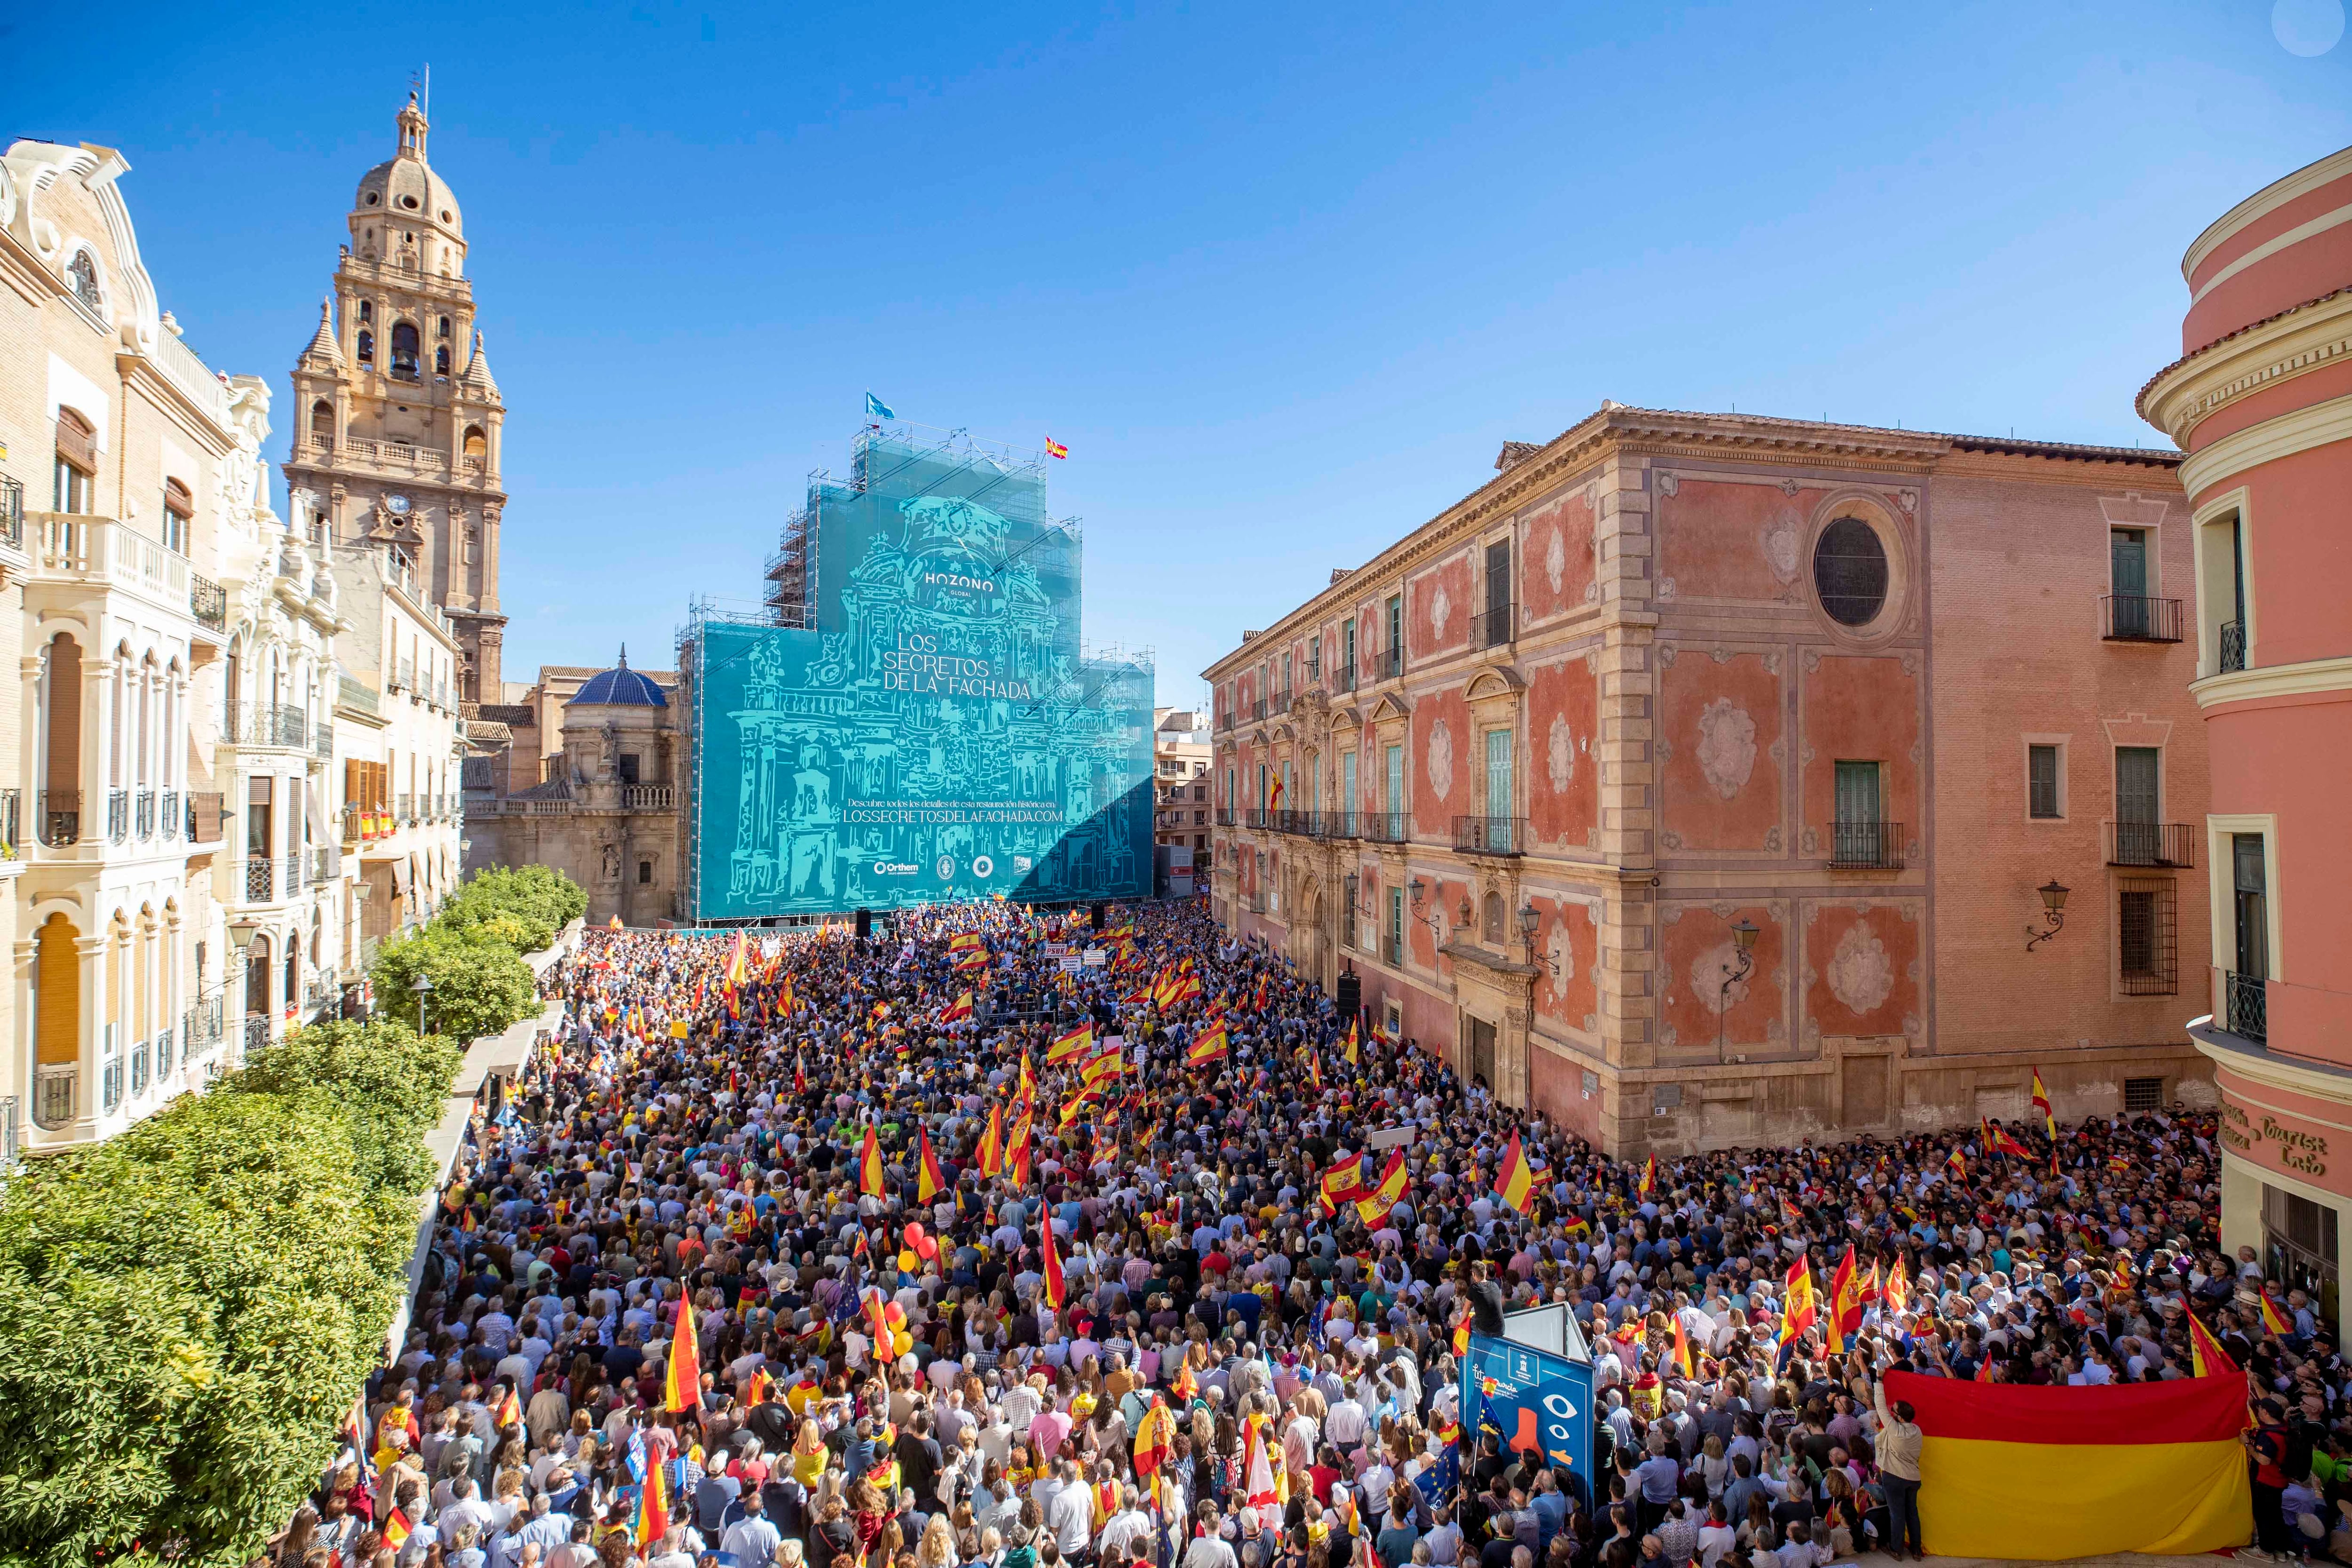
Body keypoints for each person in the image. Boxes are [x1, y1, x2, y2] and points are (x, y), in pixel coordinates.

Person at [1870, 1381, 1921, 1564]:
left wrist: (1879, 1381)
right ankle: (1916, 1550)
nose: (1891, 1412)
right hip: (1914, 1479)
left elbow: (1880, 1404)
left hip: (1895, 1478)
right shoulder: (1917, 1431)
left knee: (1897, 1515)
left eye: (1894, 1411)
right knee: (1912, 1514)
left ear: (1899, 1418)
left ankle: (1896, 1549)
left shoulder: (1895, 1431)